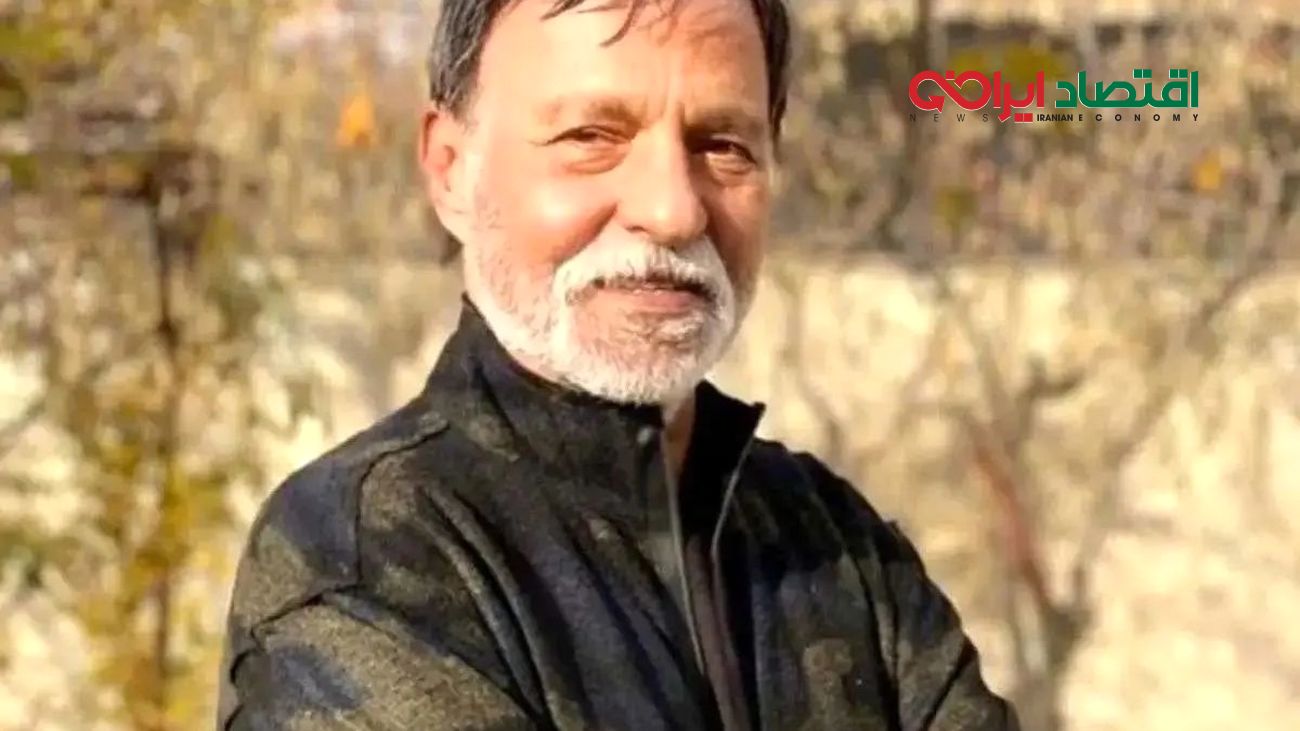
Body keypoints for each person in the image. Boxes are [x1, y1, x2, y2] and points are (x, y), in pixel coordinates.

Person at [217, 0, 1020, 728]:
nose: (672, 210)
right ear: (452, 170)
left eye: (723, 146)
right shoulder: (366, 558)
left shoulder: (838, 547)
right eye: (591, 138)